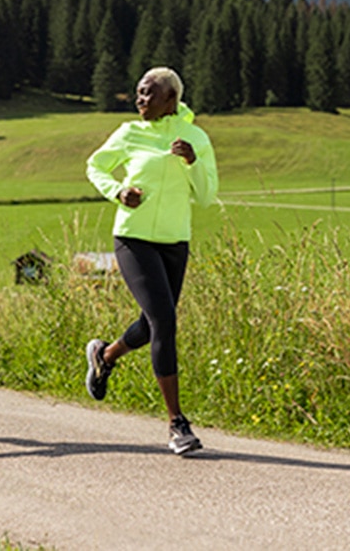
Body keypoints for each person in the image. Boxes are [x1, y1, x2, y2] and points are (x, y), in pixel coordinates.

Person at [84, 67, 218, 455]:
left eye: (148, 94)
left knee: (152, 323)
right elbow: (95, 165)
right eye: (138, 92)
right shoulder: (129, 132)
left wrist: (193, 162)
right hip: (133, 238)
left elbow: (207, 197)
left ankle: (104, 355)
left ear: (170, 100)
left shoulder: (195, 138)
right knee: (165, 321)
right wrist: (117, 190)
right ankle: (177, 423)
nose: (140, 99)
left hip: (175, 241)